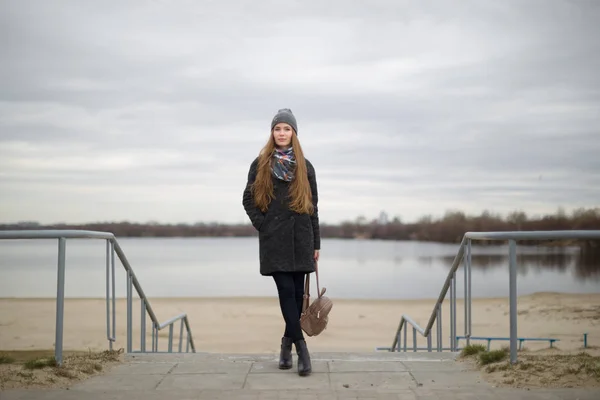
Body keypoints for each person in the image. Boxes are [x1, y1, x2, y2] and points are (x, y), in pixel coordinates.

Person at [242, 108, 321, 377]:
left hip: (301, 239)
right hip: (274, 240)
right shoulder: (260, 163)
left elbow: (314, 207)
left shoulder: (306, 167)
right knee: (286, 291)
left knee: (298, 296)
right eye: (278, 129)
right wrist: (264, 224)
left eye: (286, 129)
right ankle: (301, 347)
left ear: (294, 133)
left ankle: (286, 344)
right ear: (272, 133)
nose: (282, 133)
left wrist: (316, 244)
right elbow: (248, 200)